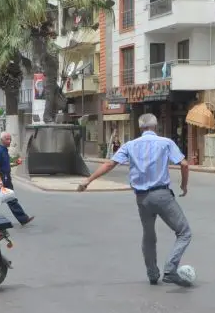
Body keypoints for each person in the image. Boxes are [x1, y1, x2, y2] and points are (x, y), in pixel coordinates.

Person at [79, 113, 192, 286]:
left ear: (140, 128)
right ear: (156, 126)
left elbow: (109, 164)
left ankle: (153, 274)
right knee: (184, 232)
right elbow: (184, 164)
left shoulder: (130, 145)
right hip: (162, 195)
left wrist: (88, 180)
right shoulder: (165, 143)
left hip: (142, 198)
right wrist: (184, 185)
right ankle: (170, 269)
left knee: (148, 235)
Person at [0, 131, 33, 225]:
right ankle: (23, 218)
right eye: (7, 139)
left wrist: (15, 163)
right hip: (1, 179)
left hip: (6, 178)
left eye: (10, 139)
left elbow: (5, 165)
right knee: (6, 199)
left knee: (3, 199)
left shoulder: (5, 150)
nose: (9, 141)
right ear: (2, 140)